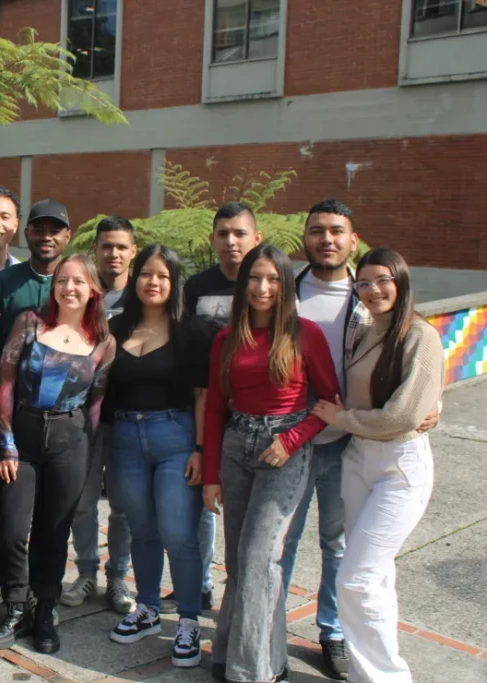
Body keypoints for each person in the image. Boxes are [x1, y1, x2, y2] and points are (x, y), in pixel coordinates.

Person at [278, 200, 441, 679]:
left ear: (353, 239)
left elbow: (413, 372)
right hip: (293, 439)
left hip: (348, 445)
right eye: (316, 231)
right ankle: (269, 625)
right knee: (282, 542)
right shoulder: (283, 291)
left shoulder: (365, 299)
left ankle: (334, 634)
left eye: (336, 231)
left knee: (343, 551)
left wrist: (429, 407)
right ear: (304, 238)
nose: (326, 239)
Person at [202, 244, 339, 683]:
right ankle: (242, 658)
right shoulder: (227, 338)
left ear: (285, 285)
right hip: (235, 448)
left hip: (285, 450)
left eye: (273, 279)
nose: (262, 288)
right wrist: (209, 476)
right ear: (243, 285)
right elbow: (215, 409)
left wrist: (292, 440)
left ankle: (250, 674)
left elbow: (330, 403)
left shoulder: (306, 334)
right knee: (240, 564)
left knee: (261, 559)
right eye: (255, 279)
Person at [312, 248, 443, 683]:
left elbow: (403, 417)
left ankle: (385, 677)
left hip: (398, 468)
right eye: (364, 283)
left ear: (401, 281)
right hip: (357, 462)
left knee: (357, 579)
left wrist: (342, 419)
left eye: (382, 280)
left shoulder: (419, 335)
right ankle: (372, 671)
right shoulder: (365, 329)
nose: (373, 290)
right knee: (376, 576)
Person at [0, 253, 117, 655]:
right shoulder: (30, 323)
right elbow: (5, 382)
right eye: (63, 280)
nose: (69, 288)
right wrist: (5, 442)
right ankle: (14, 603)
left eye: (78, 281)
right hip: (22, 437)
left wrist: (85, 452)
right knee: (11, 529)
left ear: (93, 288)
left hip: (70, 441)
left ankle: (44, 610)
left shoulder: (103, 343)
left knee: (54, 532)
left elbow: (95, 405)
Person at [106, 246, 213, 670]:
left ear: (175, 283)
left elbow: (204, 395)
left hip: (177, 438)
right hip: (126, 438)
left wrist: (202, 450)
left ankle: (188, 618)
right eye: (146, 274)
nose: (153, 282)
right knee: (141, 528)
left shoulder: (192, 331)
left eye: (163, 276)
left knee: (177, 532)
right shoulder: (116, 328)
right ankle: (148, 608)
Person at [0, 199, 73, 620]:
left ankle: (40, 590)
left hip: (63, 417)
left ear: (67, 234)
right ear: (26, 234)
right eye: (39, 228)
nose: (46, 236)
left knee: (52, 509)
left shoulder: (78, 281)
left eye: (55, 229)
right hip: (8, 409)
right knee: (1, 503)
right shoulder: (6, 283)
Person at [174, 202, 263, 615]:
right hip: (204, 406)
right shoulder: (195, 287)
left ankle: (243, 589)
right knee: (205, 502)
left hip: (255, 415)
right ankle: (204, 583)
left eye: (240, 233)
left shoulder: (267, 284)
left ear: (255, 238)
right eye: (223, 234)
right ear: (213, 239)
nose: (231, 241)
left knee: (252, 516)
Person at [61, 217, 136, 614]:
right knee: (84, 502)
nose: (114, 253)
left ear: (132, 251)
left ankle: (119, 576)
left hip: (127, 417)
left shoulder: (142, 297)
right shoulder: (85, 296)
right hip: (84, 420)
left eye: (122, 246)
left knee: (123, 505)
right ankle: (86, 571)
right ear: (97, 251)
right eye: (107, 246)